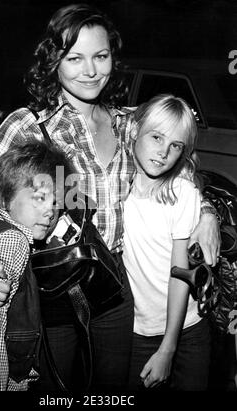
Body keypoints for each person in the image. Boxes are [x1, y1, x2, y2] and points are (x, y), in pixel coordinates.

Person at [0, 4, 219, 392]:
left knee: (109, 394)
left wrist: (205, 213)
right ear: (53, 61)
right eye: (75, 58)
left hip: (116, 292)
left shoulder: (128, 123)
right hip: (54, 292)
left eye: (101, 56)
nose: (90, 71)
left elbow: (181, 165)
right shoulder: (29, 126)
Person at [0, 141, 74, 390]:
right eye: (40, 198)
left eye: (55, 203)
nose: (50, 212)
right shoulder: (11, 241)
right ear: (6, 197)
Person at [123, 94, 211, 391]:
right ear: (135, 131)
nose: (163, 152)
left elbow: (179, 272)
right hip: (137, 330)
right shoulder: (116, 186)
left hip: (186, 328)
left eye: (175, 145)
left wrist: (169, 347)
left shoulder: (181, 192)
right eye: (157, 137)